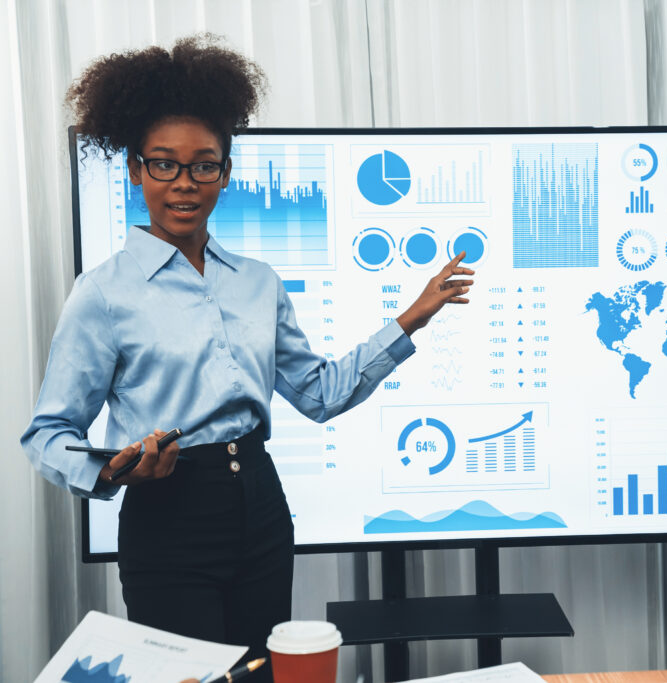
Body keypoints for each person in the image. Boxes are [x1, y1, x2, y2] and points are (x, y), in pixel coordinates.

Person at [21, 35, 473, 677]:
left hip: (261, 508)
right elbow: (47, 433)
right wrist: (114, 472)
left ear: (226, 173)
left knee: (261, 673)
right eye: (164, 165)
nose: (185, 183)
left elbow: (319, 395)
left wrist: (411, 319)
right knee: (190, 677)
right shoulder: (102, 294)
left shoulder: (258, 282)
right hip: (167, 515)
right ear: (135, 171)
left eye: (203, 165)